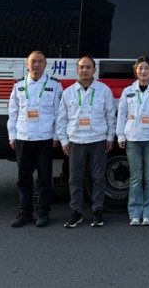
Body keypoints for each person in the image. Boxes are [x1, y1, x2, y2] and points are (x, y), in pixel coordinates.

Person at [56, 56, 115, 228]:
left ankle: (98, 212)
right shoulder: (68, 92)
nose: (85, 70)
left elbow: (110, 115)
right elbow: (61, 119)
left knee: (98, 178)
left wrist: (110, 137)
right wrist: (64, 140)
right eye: (81, 67)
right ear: (77, 70)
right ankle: (76, 213)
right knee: (75, 179)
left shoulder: (104, 90)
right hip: (76, 141)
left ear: (94, 70)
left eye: (88, 67)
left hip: (98, 140)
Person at [7, 50, 63, 228]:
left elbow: (59, 114)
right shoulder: (19, 85)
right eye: (33, 61)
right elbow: (13, 112)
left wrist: (57, 136)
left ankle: (43, 213)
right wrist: (12, 135)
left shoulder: (55, 85)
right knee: (23, 178)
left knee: (44, 178)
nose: (36, 64)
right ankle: (25, 213)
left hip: (45, 138)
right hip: (24, 137)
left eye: (40, 61)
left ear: (45, 64)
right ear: (27, 64)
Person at [116, 56, 149, 226]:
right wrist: (120, 135)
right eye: (140, 68)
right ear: (135, 71)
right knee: (136, 178)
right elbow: (121, 114)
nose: (143, 71)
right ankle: (135, 213)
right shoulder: (128, 91)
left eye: (146, 68)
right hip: (133, 138)